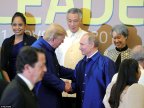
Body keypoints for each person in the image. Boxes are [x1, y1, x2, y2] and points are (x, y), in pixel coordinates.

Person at [32, 23, 74, 108]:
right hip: (43, 98)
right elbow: (42, 74)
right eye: (61, 39)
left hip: (52, 95)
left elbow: (57, 69)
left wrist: (77, 73)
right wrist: (63, 85)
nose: (62, 42)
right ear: (53, 39)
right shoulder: (37, 49)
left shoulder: (49, 48)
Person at [73, 33, 116, 108]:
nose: (79, 48)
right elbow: (76, 85)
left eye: (82, 44)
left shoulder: (106, 63)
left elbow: (111, 91)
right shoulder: (80, 64)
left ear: (92, 45)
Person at [0, 12, 36, 82]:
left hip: (29, 83)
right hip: (11, 81)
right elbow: (3, 67)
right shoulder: (7, 42)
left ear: (25, 26)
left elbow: (36, 64)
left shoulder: (32, 41)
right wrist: (9, 84)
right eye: (14, 25)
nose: (17, 27)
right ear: (11, 26)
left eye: (20, 25)